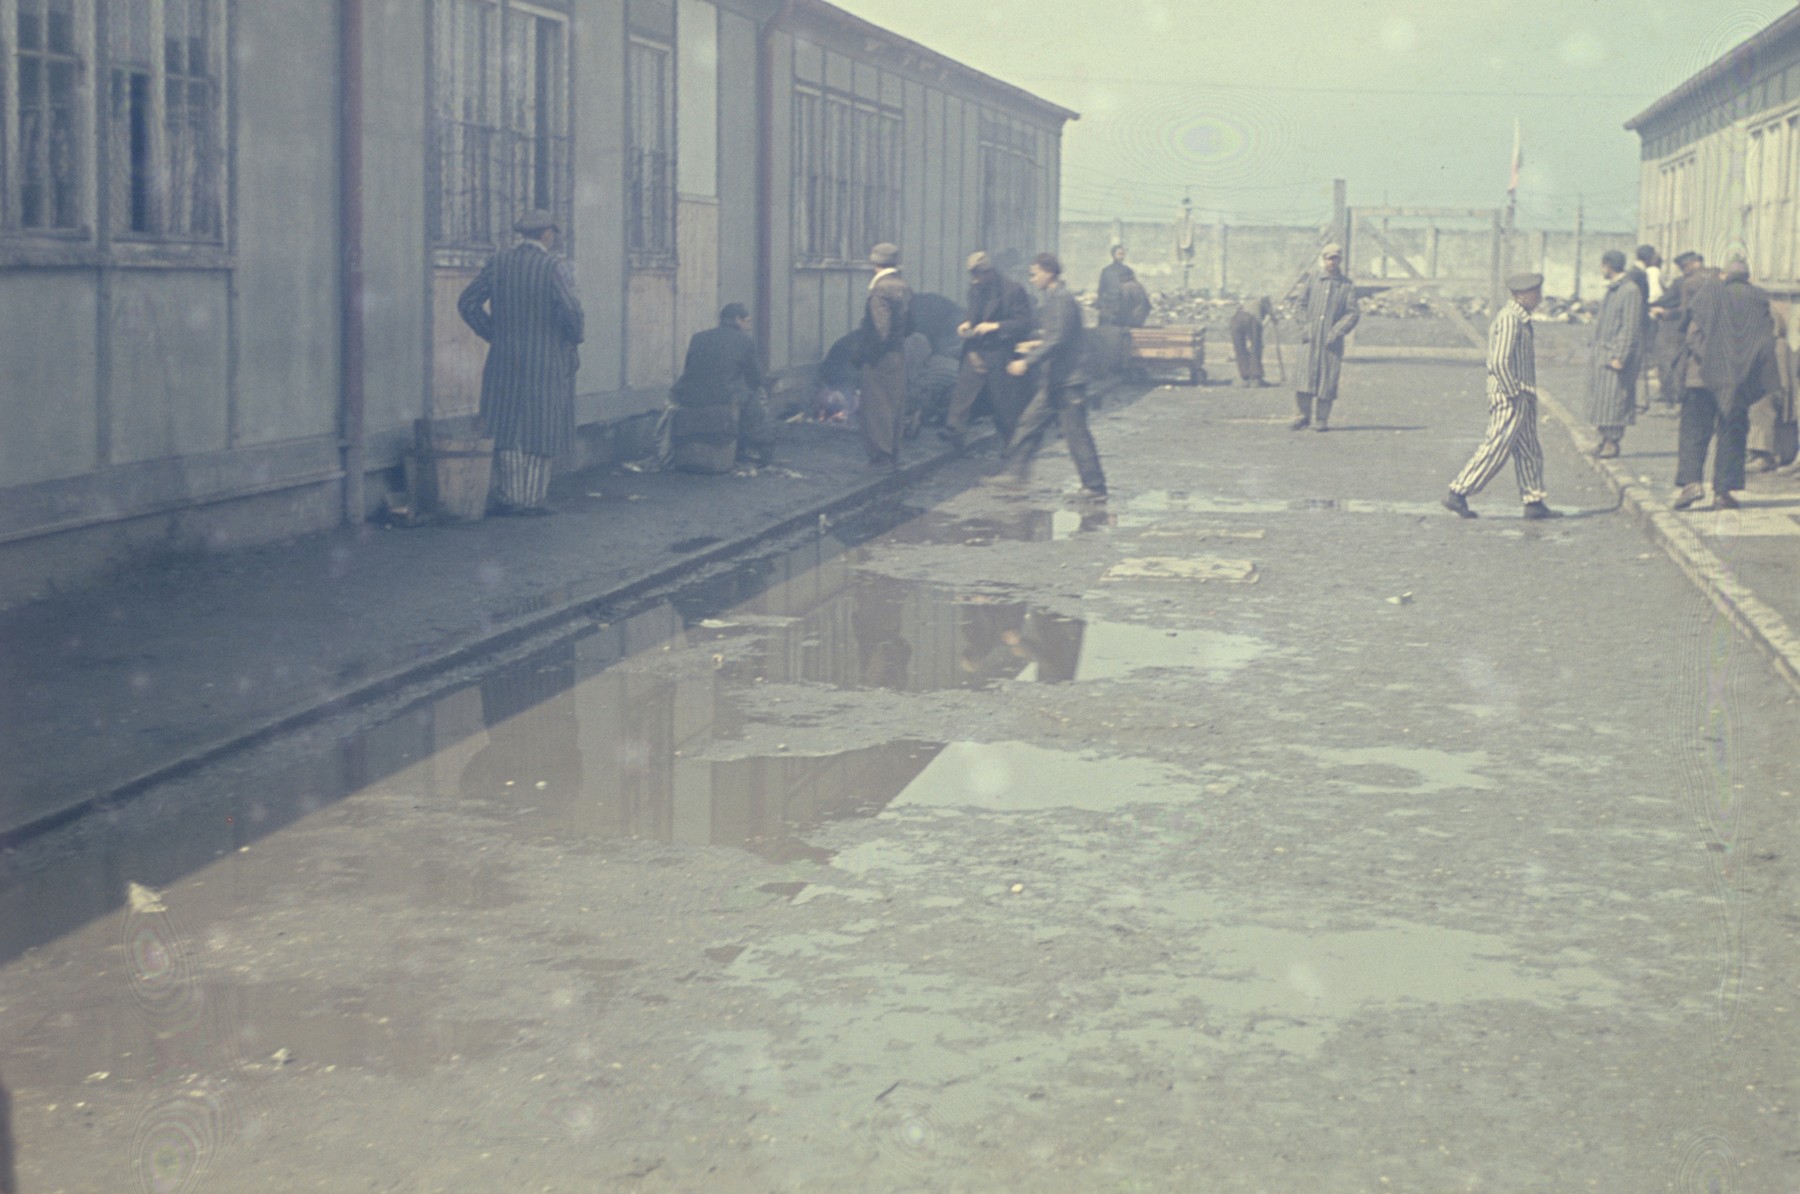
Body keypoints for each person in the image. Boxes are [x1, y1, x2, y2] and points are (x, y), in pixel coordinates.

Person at [457, 209, 584, 515]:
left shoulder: (498, 263)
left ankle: (511, 495)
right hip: (546, 359)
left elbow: (467, 303)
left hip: (503, 357)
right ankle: (531, 499)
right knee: (542, 422)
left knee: (504, 420)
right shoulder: (554, 267)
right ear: (546, 235)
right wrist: (572, 338)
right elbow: (570, 312)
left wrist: (493, 334)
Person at [1443, 272, 1557, 520]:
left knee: (1529, 449)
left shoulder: (1520, 318)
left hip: (1523, 393)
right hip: (1510, 395)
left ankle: (1534, 501)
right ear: (1521, 294)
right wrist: (1512, 391)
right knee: (1497, 446)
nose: (1539, 297)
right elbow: (1498, 361)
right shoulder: (1509, 319)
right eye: (1535, 292)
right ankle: (1458, 491)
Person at [1672, 258, 1780, 511]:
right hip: (1738, 382)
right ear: (1749, 278)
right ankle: (1724, 493)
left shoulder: (1707, 295)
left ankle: (1692, 484)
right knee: (1732, 435)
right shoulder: (1760, 299)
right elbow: (1765, 340)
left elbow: (1693, 336)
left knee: (1694, 431)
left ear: (1723, 276)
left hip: (1701, 378)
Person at [1001, 253, 1107, 499]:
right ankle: (1015, 474)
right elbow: (1057, 336)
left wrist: (1027, 361)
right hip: (1056, 379)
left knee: (1076, 434)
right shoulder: (1054, 298)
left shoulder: (1061, 299)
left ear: (1049, 272)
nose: (1032, 279)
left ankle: (1094, 486)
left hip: (1069, 380)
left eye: (1034, 273)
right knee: (1029, 423)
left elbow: (1059, 339)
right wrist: (1035, 344)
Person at [661, 303, 775, 472]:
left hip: (689, 395)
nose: (749, 327)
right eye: (747, 322)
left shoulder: (698, 337)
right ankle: (756, 452)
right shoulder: (744, 340)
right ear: (738, 320)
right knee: (754, 402)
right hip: (723, 398)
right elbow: (755, 378)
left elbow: (690, 368)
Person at [942, 251, 1034, 450]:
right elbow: (973, 314)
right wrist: (967, 324)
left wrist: (996, 326)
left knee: (1004, 405)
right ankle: (954, 439)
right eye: (972, 275)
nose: (975, 280)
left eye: (978, 275)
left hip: (1000, 352)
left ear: (990, 272)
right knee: (962, 398)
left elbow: (1024, 323)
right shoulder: (975, 288)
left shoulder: (1013, 290)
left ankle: (1013, 447)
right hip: (975, 349)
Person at [1291, 243, 1360, 431]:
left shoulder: (1346, 285)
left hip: (1331, 343)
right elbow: (1299, 305)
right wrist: (1306, 326)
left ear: (1340, 260)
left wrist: (1336, 331)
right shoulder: (1312, 280)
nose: (1332, 262)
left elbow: (1353, 313)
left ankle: (1322, 419)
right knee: (1304, 377)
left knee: (1327, 380)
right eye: (1329, 258)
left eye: (1336, 258)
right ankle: (1302, 416)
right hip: (1310, 339)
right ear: (1323, 259)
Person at [858, 243, 913, 470]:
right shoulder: (903, 286)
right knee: (895, 405)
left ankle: (881, 458)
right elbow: (911, 324)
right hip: (898, 352)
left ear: (875, 264)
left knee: (876, 407)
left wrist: (869, 356)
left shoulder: (879, 289)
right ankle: (895, 454)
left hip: (880, 357)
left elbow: (881, 329)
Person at [1585, 250, 1645, 459]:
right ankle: (1604, 439)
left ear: (1609, 266)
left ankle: (1613, 442)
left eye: (1603, 265)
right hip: (1602, 354)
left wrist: (1621, 355)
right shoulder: (1613, 290)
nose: (1601, 270)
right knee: (1602, 400)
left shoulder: (1630, 291)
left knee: (1615, 400)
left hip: (1615, 355)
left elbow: (1630, 327)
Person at [1649, 251, 1712, 413]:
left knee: (1676, 364)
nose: (1683, 270)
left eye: (1685, 266)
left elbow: (1685, 310)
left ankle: (1677, 402)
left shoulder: (1688, 282)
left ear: (1696, 262)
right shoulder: (1713, 279)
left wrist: (1666, 313)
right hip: (1707, 328)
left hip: (1688, 328)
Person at [1230, 296, 1274, 386]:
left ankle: (1245, 377)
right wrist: (1274, 317)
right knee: (1256, 348)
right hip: (1250, 318)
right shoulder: (1265, 300)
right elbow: (1270, 314)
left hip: (1236, 319)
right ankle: (1256, 378)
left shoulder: (1248, 302)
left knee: (1240, 349)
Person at [1097, 244, 1133, 327]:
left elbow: (1132, 289)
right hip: (1108, 307)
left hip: (1122, 307)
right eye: (1119, 254)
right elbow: (1101, 289)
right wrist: (1101, 305)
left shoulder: (1128, 271)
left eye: (1123, 254)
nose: (1121, 256)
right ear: (1113, 255)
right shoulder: (1106, 271)